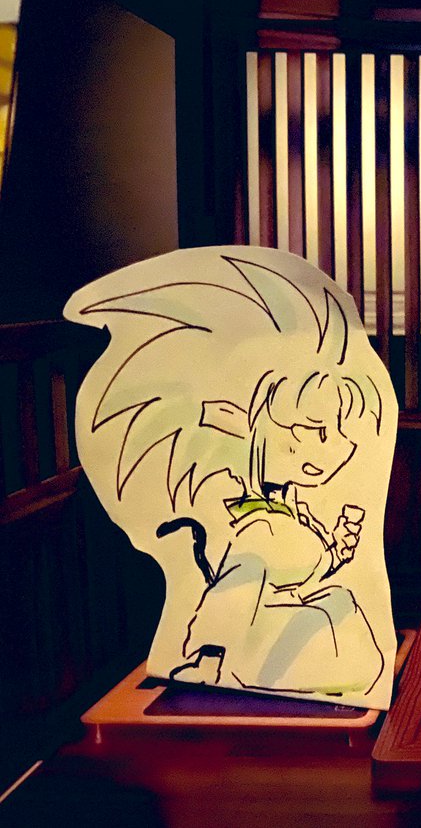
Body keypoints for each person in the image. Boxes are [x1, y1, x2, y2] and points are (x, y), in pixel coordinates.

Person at [68, 251, 387, 698]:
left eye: (338, 434)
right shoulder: (254, 524)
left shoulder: (288, 508)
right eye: (315, 430)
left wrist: (334, 549)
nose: (338, 448)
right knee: (330, 616)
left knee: (341, 603)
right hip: (257, 661)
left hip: (309, 657)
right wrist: (210, 658)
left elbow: (298, 568)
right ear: (265, 425)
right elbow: (233, 592)